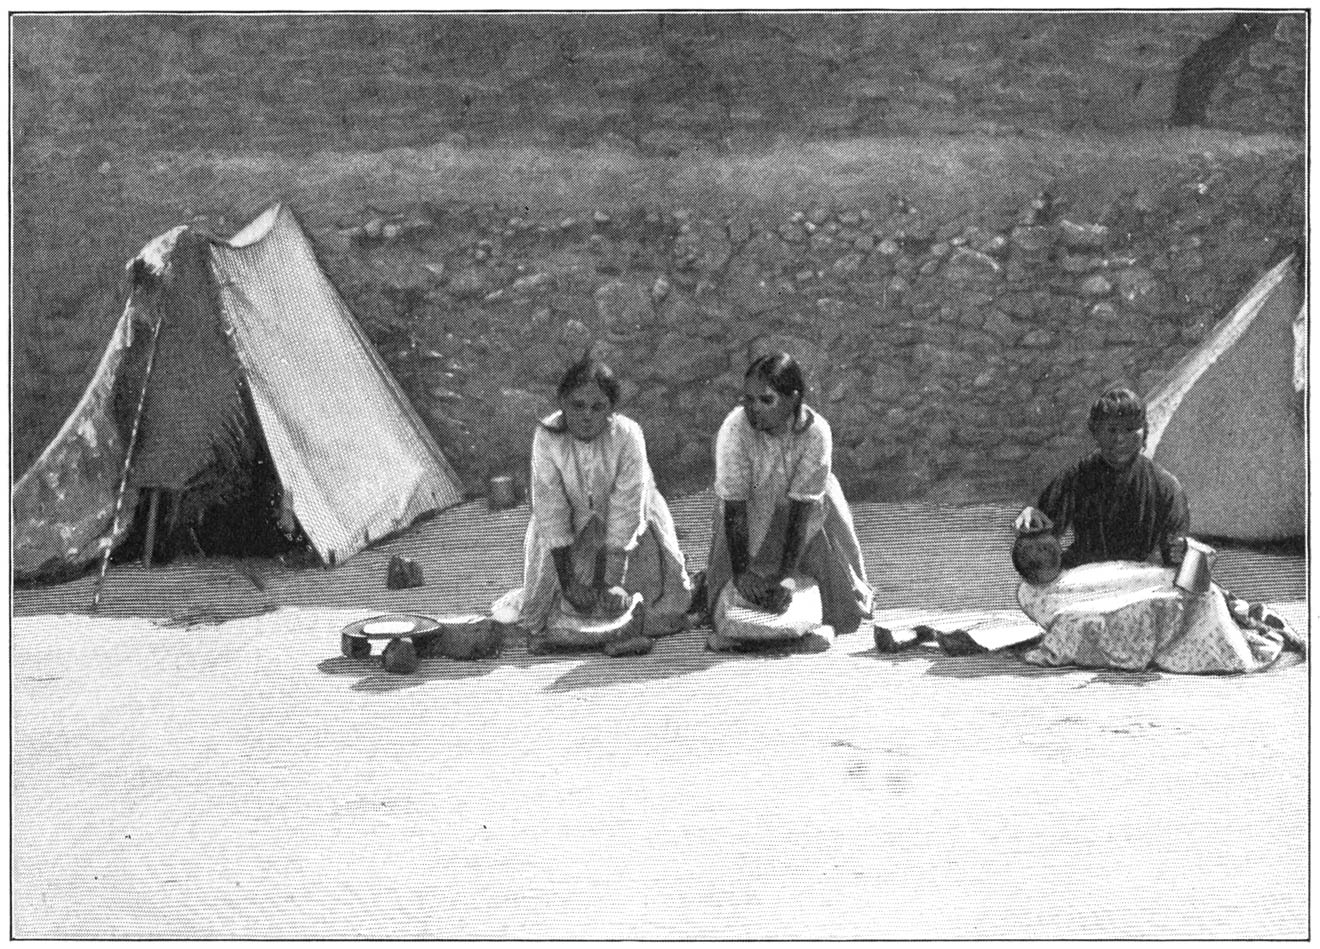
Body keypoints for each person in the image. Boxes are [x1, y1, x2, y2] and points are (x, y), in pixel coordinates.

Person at [500, 353, 692, 645]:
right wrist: (569, 583)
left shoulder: (628, 435)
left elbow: (626, 509)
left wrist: (611, 581)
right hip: (568, 535)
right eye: (577, 405)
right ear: (562, 403)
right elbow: (551, 509)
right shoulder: (547, 436)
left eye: (597, 407)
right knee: (553, 613)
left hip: (630, 536)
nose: (587, 415)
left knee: (640, 609)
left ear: (611, 410)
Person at [704, 352, 873, 648]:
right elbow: (734, 506)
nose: (754, 409)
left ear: (793, 399)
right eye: (748, 399)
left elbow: (801, 512)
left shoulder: (817, 432)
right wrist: (742, 572)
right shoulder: (735, 428)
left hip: (807, 521)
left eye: (765, 400)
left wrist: (786, 578)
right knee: (727, 600)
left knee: (839, 610)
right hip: (747, 515)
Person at [1015, 386, 1189, 569]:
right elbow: (1044, 535)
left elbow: (1173, 555)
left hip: (1141, 580)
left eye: (1130, 429)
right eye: (1111, 430)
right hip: (1083, 574)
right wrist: (1032, 522)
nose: (1120, 438)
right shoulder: (1076, 477)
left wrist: (1181, 552)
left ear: (1145, 430)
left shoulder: (1167, 487)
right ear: (1095, 432)